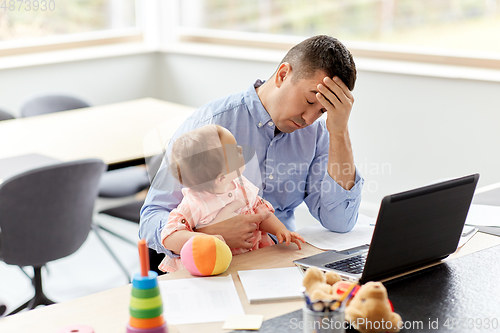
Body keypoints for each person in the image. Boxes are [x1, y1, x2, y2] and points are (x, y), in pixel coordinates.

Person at [140, 35, 364, 264]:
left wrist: (339, 131)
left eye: (322, 111)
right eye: (309, 102)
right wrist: (208, 235)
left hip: (279, 263)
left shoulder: (317, 136)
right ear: (283, 74)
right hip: (214, 267)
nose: (309, 118)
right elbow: (150, 221)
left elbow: (340, 221)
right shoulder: (210, 126)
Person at [158, 124, 305, 272]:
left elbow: (260, 212)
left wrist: (279, 229)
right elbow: (170, 236)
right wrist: (206, 239)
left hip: (253, 260)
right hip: (214, 268)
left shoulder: (241, 185)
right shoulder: (195, 203)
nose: (241, 149)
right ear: (221, 178)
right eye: (235, 151)